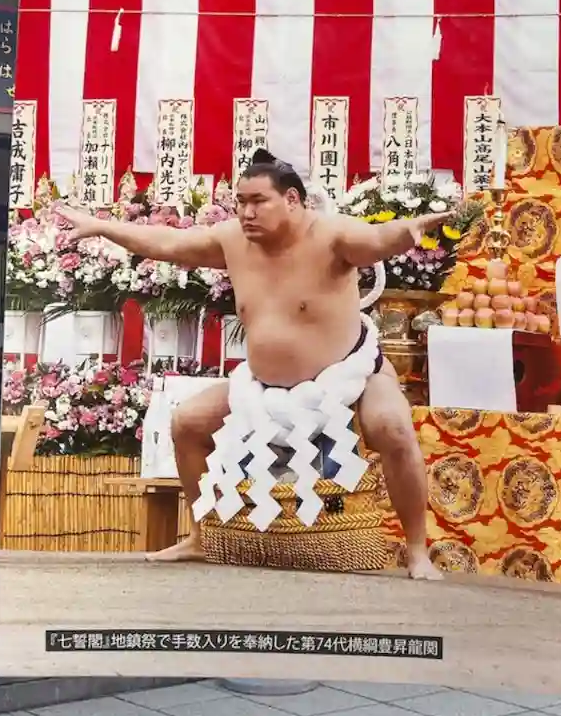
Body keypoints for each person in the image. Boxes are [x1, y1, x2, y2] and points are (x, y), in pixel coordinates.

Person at [55, 149, 441, 578]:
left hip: (352, 373)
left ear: (292, 199)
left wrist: (407, 231)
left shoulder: (332, 235)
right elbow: (168, 243)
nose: (246, 212)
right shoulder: (232, 240)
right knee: (188, 423)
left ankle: (417, 549)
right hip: (263, 387)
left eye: (259, 201)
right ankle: (201, 535)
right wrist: (104, 227)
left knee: (393, 427)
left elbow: (376, 240)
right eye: (240, 201)